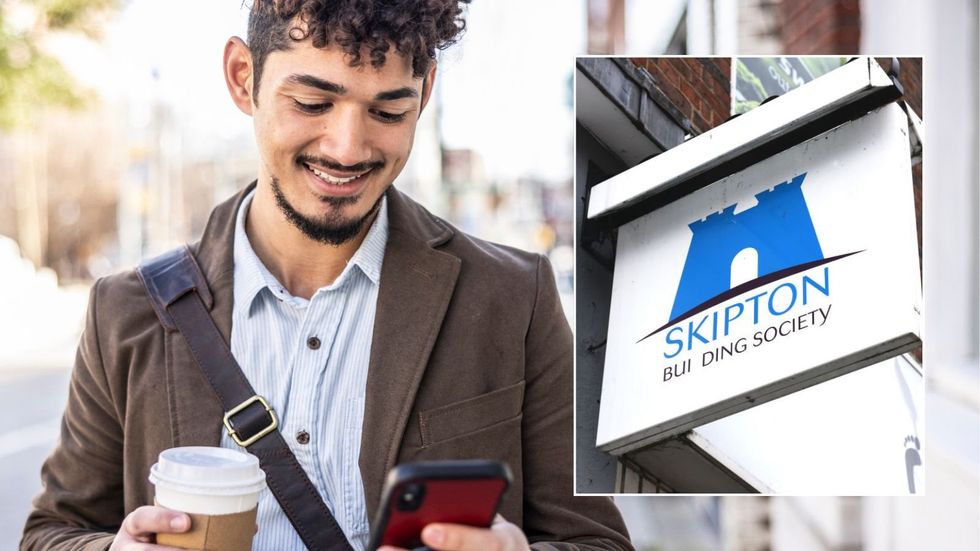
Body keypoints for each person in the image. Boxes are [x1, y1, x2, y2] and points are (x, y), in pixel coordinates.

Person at [22, 1, 633, 550]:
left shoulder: (512, 297)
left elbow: (598, 543)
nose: (348, 147)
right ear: (243, 77)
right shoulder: (125, 310)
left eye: (389, 109)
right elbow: (52, 533)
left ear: (425, 93)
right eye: (312, 103)